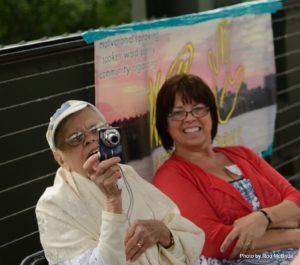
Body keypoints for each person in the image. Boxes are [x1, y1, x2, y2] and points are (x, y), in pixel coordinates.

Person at [152, 73, 300, 265]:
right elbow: (214, 241)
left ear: (212, 114)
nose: (190, 119)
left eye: (198, 109)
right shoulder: (170, 175)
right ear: (165, 124)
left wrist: (263, 218)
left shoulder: (242, 154)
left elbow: (295, 199)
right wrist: (293, 235)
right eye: (178, 112)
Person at [36, 100, 205, 265]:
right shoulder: (53, 205)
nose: (89, 139)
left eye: (95, 129)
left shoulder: (125, 173)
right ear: (60, 159)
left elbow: (189, 237)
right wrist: (112, 202)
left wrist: (165, 234)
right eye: (75, 138)